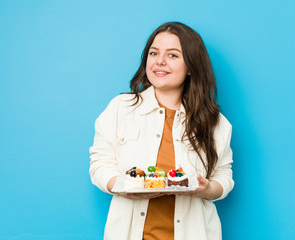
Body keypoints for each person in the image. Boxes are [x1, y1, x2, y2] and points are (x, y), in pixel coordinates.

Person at [89, 21, 234, 240]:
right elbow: (100, 162)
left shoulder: (215, 122)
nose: (159, 62)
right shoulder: (121, 108)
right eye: (153, 53)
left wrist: (207, 190)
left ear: (191, 67)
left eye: (173, 55)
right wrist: (121, 187)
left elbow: (224, 174)